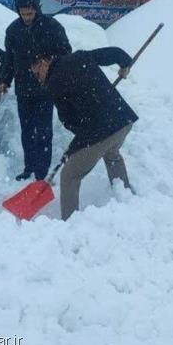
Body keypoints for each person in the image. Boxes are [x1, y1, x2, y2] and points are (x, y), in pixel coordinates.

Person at [30, 47, 138, 220]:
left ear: (44, 63)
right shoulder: (79, 57)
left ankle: (71, 222)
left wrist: (78, 143)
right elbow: (116, 53)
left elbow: (70, 120)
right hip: (123, 120)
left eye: (37, 74)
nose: (38, 79)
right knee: (112, 154)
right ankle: (127, 197)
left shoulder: (53, 84)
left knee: (69, 175)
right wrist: (125, 65)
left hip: (103, 129)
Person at [0, 0, 72, 181]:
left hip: (45, 88)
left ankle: (42, 170)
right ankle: (28, 167)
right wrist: (5, 81)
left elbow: (66, 52)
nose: (27, 18)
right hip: (23, 89)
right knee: (27, 131)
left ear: (37, 10)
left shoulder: (52, 27)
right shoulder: (13, 30)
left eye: (30, 14)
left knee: (44, 131)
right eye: (23, 14)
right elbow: (9, 58)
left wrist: (48, 61)